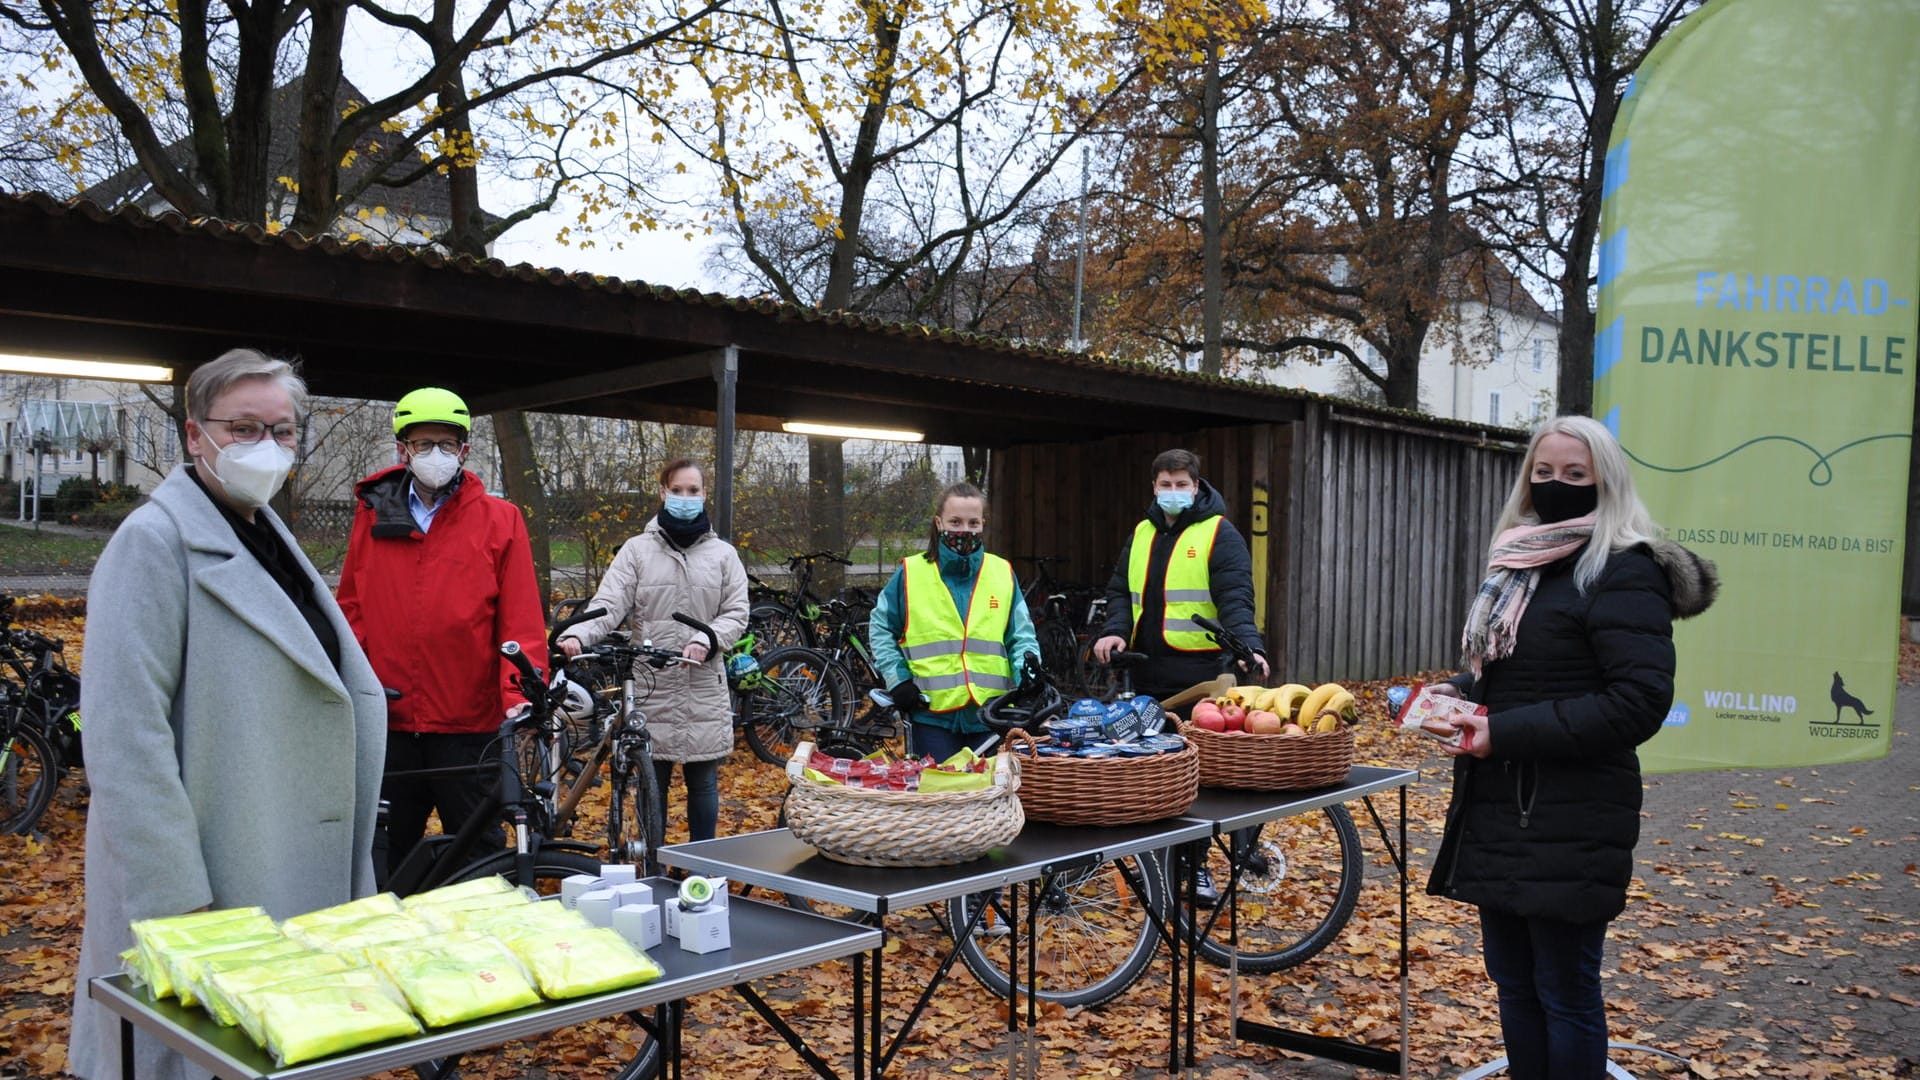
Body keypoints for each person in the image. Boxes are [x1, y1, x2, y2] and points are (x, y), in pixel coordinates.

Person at [69, 349, 388, 1080]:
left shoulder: (263, 532)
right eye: (243, 427)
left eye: (281, 431)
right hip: (217, 881)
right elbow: (124, 738)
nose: (266, 448)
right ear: (193, 435)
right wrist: (178, 906)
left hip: (281, 856)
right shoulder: (152, 543)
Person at [1426, 415, 1717, 1080]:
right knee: (1516, 983)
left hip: (1573, 814)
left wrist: (1503, 730)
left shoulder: (1623, 570)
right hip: (1501, 806)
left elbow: (1638, 701)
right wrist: (1457, 693)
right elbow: (1519, 673)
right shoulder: (1522, 560)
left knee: (1564, 989)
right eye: (1545, 472)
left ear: (1605, 482)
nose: (1557, 485)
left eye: (1576, 475)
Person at [335, 387, 548, 877]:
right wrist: (353, 683)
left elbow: (520, 616)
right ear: (402, 449)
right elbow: (353, 608)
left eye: (447, 444)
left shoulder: (499, 519)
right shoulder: (373, 516)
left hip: (468, 727)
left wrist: (521, 691)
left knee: (479, 860)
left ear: (464, 450)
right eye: (423, 443)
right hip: (391, 720)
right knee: (384, 860)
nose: (436, 454)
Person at [556, 458, 749, 843]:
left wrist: (707, 639)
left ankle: (701, 867)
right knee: (652, 781)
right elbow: (609, 604)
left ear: (704, 494)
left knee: (704, 782)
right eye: (676, 490)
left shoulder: (724, 555)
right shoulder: (637, 551)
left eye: (693, 491)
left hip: (702, 682)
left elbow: (736, 612)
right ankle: (655, 866)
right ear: (662, 492)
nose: (684, 498)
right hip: (650, 682)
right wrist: (577, 634)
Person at [870, 481, 1041, 763]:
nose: (965, 530)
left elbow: (1021, 637)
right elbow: (880, 627)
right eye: (955, 521)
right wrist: (897, 679)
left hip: (991, 716)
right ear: (939, 523)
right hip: (931, 718)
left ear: (983, 524)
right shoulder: (910, 573)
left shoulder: (1001, 572)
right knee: (939, 800)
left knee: (991, 800)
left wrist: (1029, 683)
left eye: (973, 522)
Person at [1091, 448, 1270, 697]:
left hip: (1202, 676)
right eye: (1166, 484)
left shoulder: (1219, 532)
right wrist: (1115, 631)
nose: (1173, 491)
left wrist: (1250, 647)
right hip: (1145, 675)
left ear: (1195, 487)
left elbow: (1235, 598)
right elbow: (1120, 591)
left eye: (1181, 484)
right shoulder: (1142, 533)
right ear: (1154, 487)